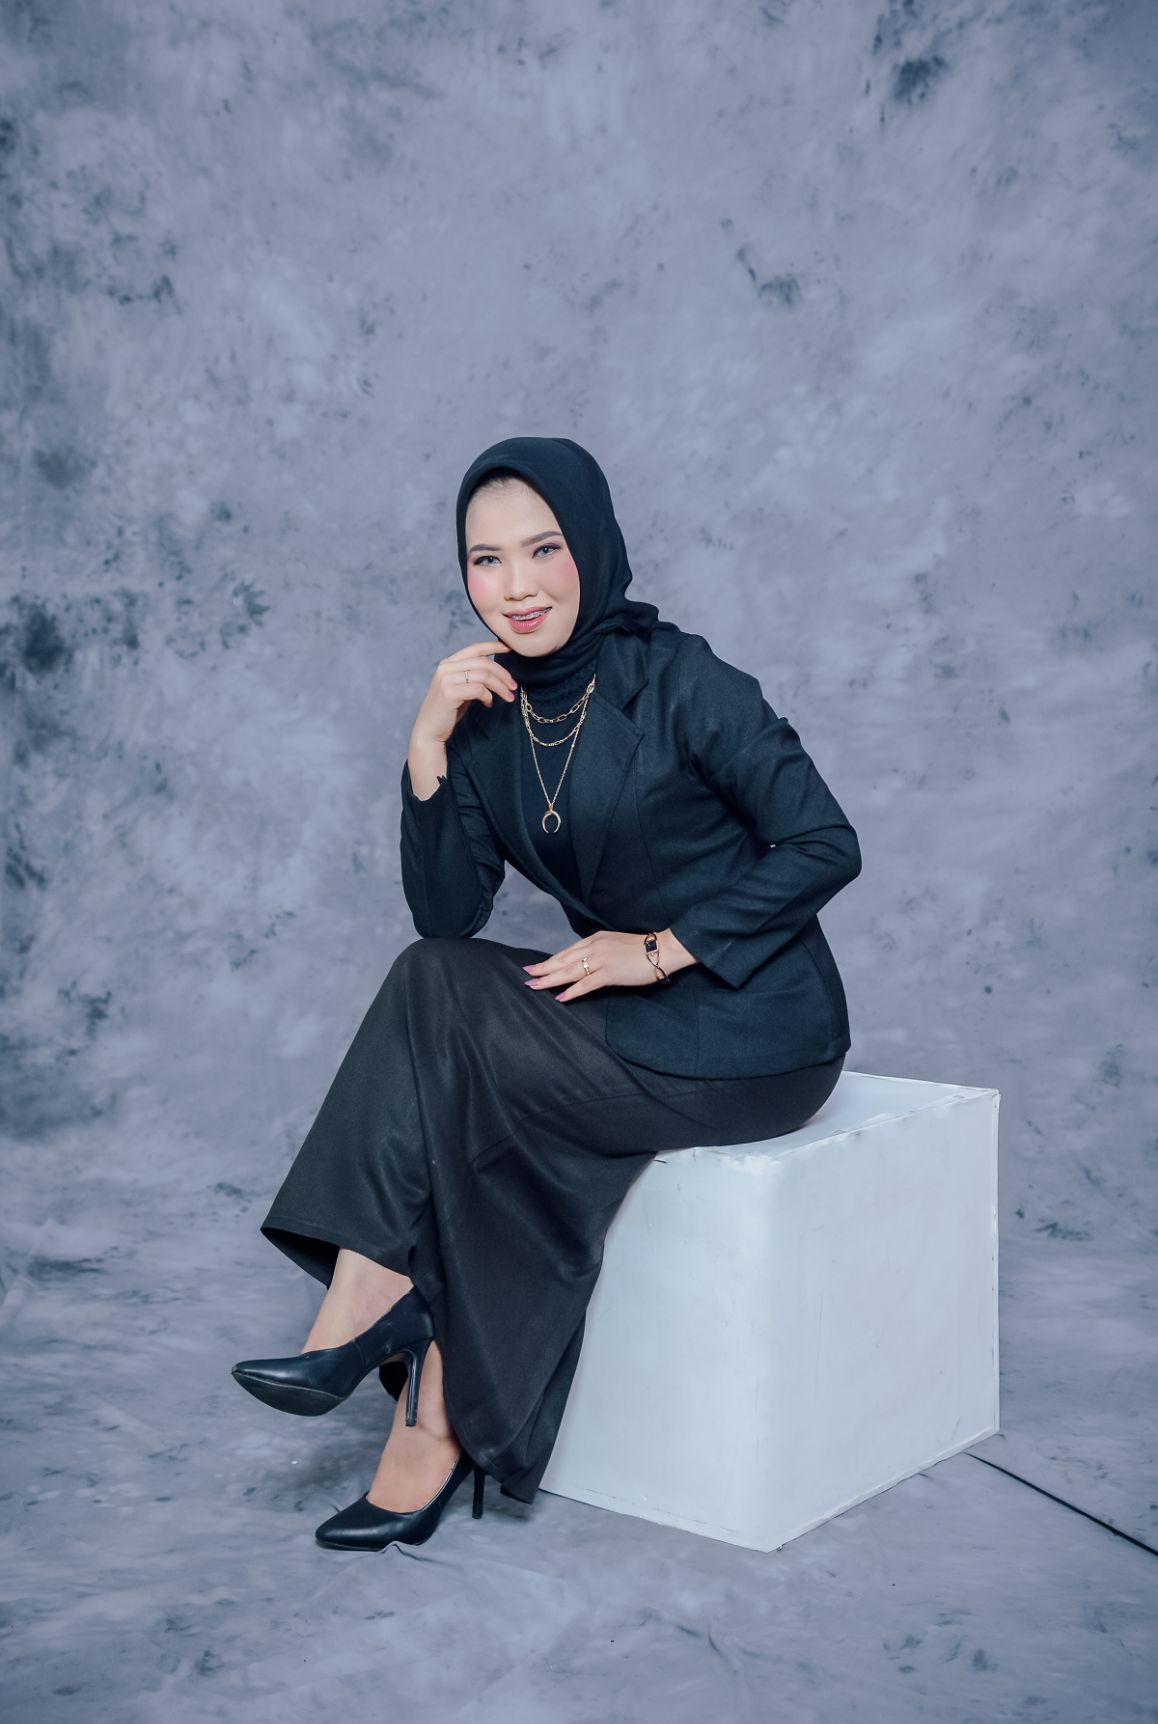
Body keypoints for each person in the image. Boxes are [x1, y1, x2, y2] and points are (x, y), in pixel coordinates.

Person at [231, 435, 862, 1553]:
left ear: (593, 549)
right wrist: (426, 745)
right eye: (486, 560)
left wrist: (659, 949)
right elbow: (446, 916)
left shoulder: (685, 681)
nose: (515, 587)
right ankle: (409, 1378)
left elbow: (825, 842)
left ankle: (392, 1356)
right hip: (632, 1024)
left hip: (758, 1029)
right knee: (436, 988)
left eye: (543, 550)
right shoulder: (487, 716)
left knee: (459, 1073)